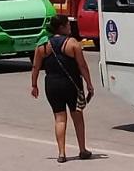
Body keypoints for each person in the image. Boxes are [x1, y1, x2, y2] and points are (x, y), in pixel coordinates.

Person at [30, 15, 94, 163]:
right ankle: (82, 150)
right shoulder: (72, 43)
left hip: (52, 84)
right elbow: (82, 66)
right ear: (61, 27)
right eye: (68, 25)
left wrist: (34, 85)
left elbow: (35, 67)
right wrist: (89, 84)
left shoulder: (43, 45)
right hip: (71, 84)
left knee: (59, 118)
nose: (70, 27)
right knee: (77, 117)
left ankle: (61, 153)